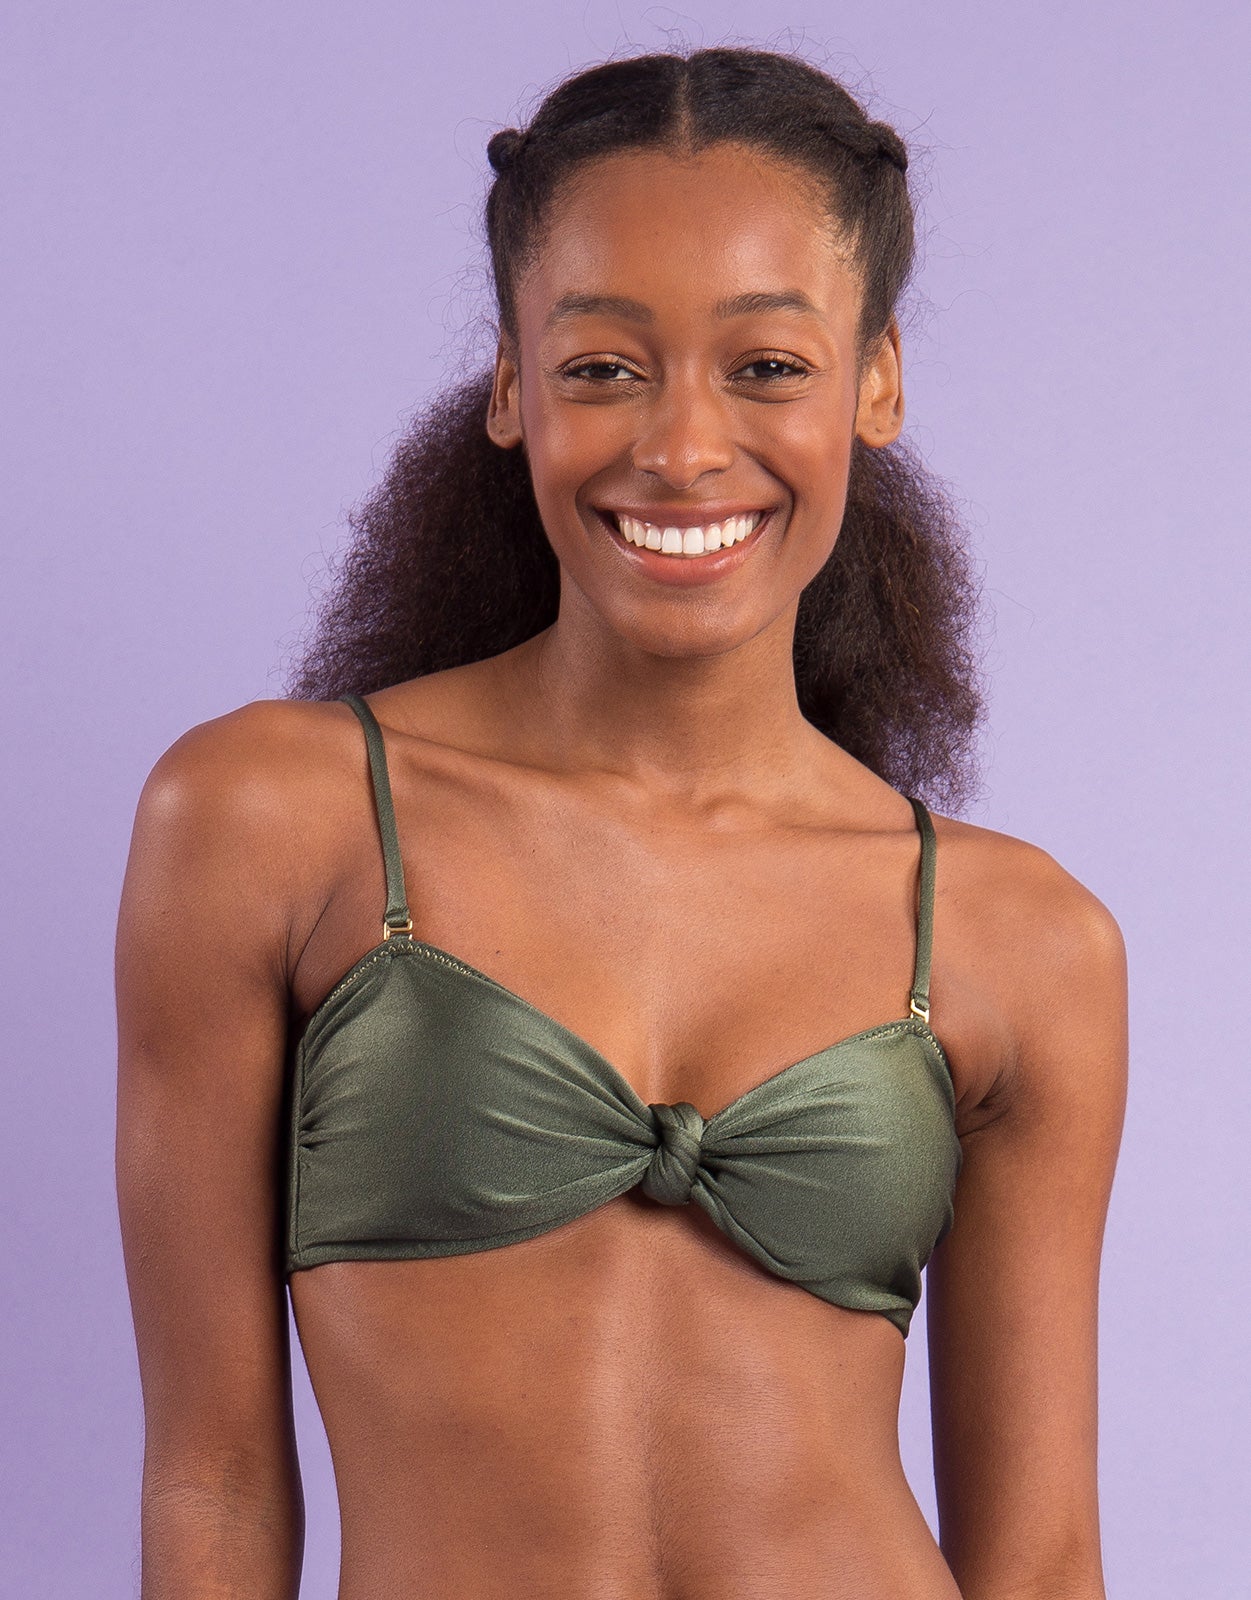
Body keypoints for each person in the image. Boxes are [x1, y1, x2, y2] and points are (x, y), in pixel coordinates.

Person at [115, 46, 1128, 1600]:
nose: (682, 447)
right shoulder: (274, 823)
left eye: (767, 365)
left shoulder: (1020, 939)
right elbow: (214, 1481)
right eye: (602, 367)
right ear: (510, 385)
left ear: (876, 381)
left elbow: (1044, 1561)